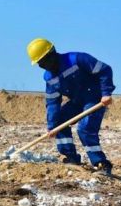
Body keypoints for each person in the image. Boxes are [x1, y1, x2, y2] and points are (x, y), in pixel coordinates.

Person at [27, 38, 115, 176]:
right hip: (77, 101)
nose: (43, 65)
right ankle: (71, 158)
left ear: (52, 54)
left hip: (95, 98)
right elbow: (52, 102)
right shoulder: (49, 77)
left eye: (43, 61)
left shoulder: (77, 59)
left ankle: (101, 164)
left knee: (85, 129)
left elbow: (104, 70)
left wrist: (106, 93)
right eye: (40, 63)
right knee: (59, 124)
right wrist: (52, 126)